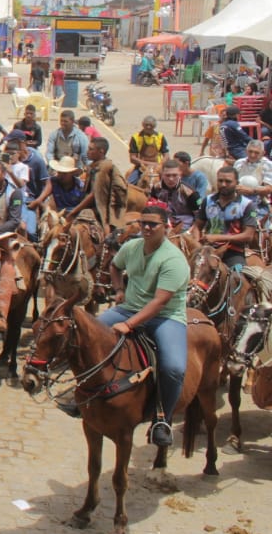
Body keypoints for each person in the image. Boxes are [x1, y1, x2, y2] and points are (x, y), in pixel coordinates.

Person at [100, 204, 192, 448]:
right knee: (91, 333)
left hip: (165, 317)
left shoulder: (174, 260)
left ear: (166, 227)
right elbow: (115, 266)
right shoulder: (131, 247)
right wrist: (119, 289)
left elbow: (160, 302)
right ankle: (85, 392)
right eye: (144, 223)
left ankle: (163, 418)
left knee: (173, 367)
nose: (147, 228)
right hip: (128, 307)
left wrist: (128, 324)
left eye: (153, 224)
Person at [200, 166, 257, 271]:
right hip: (208, 249)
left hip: (233, 252)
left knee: (238, 277)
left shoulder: (247, 205)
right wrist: (196, 243)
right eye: (220, 181)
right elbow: (197, 226)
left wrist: (218, 237)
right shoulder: (207, 201)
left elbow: (248, 236)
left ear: (237, 183)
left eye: (228, 181)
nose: (223, 184)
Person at [149, 158, 202, 230]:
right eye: (167, 175)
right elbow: (152, 209)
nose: (171, 179)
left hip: (185, 228)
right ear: (162, 174)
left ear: (180, 174)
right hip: (162, 225)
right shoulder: (156, 188)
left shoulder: (190, 193)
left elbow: (199, 217)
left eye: (174, 175)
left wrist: (191, 231)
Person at [127, 115, 168, 185]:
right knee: (128, 185)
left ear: (154, 126)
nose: (148, 127)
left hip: (157, 167)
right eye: (146, 125)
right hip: (141, 167)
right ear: (143, 125)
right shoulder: (135, 137)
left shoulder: (160, 136)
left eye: (151, 125)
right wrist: (148, 164)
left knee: (170, 182)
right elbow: (132, 158)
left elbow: (166, 155)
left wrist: (160, 165)